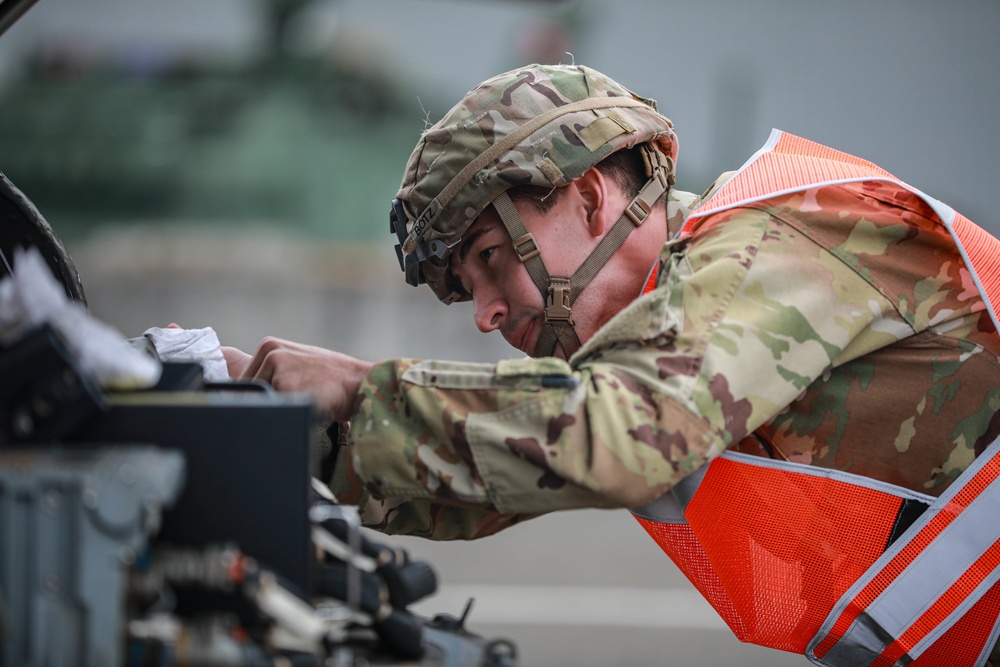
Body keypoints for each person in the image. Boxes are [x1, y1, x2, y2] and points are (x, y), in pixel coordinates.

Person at [222, 64, 1000, 665]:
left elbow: (615, 434)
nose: (488, 311)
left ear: (591, 198)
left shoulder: (775, 237)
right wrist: (263, 425)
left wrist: (361, 388)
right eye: (468, 292)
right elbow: (478, 481)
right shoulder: (650, 341)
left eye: (491, 259)